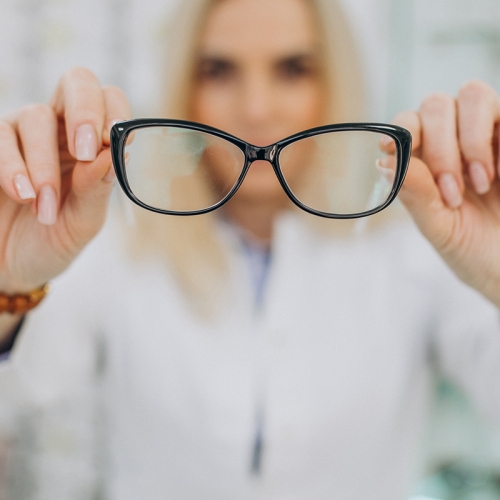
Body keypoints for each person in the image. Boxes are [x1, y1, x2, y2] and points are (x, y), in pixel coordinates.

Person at [0, 0, 500, 498]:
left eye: (292, 69)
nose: (256, 109)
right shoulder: (119, 248)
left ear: (335, 80)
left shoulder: (413, 250)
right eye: (218, 71)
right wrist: (7, 282)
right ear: (183, 88)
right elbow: (14, 394)